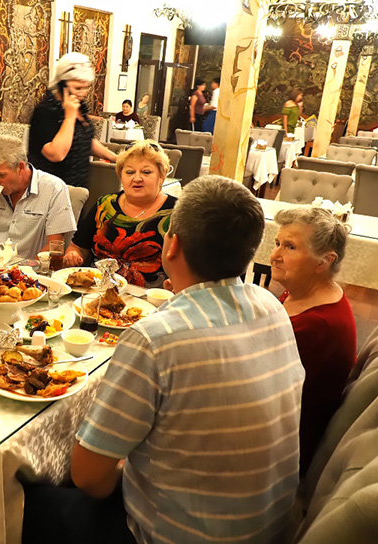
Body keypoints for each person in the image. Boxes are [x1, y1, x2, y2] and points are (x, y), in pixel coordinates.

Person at [23, 176, 304, 544]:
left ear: (171, 245)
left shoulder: (154, 338)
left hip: (174, 535)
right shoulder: (272, 306)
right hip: (270, 527)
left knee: (30, 495)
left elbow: (90, 478)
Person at [271, 206, 357, 474]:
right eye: (277, 243)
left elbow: (258, 393)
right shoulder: (302, 294)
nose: (274, 255)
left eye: (290, 247)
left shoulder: (317, 326)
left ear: (324, 262)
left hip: (283, 454)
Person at [63, 141, 176, 288]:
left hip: (149, 298)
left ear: (161, 176)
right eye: (129, 172)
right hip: (96, 291)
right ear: (121, 176)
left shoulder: (177, 212)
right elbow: (77, 247)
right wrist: (73, 255)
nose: (137, 178)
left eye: (146, 172)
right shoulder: (105, 205)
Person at [0, 135, 76, 259]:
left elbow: (55, 247)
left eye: (1, 175)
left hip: (31, 269)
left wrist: (22, 271)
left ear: (20, 167)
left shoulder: (53, 188)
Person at [28, 52, 117, 188]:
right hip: (52, 188)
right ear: (61, 85)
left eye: (86, 87)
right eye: (77, 88)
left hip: (77, 184)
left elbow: (84, 139)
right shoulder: (45, 111)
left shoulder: (78, 106)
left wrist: (115, 158)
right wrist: (69, 116)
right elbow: (56, 154)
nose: (83, 93)